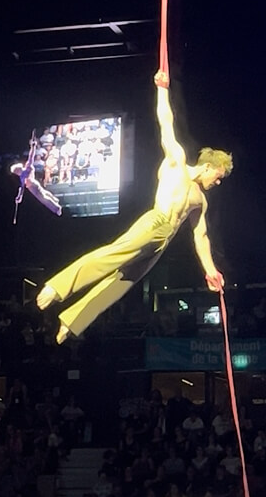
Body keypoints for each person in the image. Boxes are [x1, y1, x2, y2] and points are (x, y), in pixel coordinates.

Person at [36, 69, 231, 342]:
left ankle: (72, 321)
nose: (217, 183)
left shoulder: (201, 200)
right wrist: (162, 89)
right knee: (114, 254)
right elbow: (167, 122)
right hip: (156, 222)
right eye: (218, 177)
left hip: (162, 243)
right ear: (209, 166)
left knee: (122, 282)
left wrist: (211, 271)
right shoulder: (177, 160)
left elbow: (201, 236)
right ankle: (57, 287)